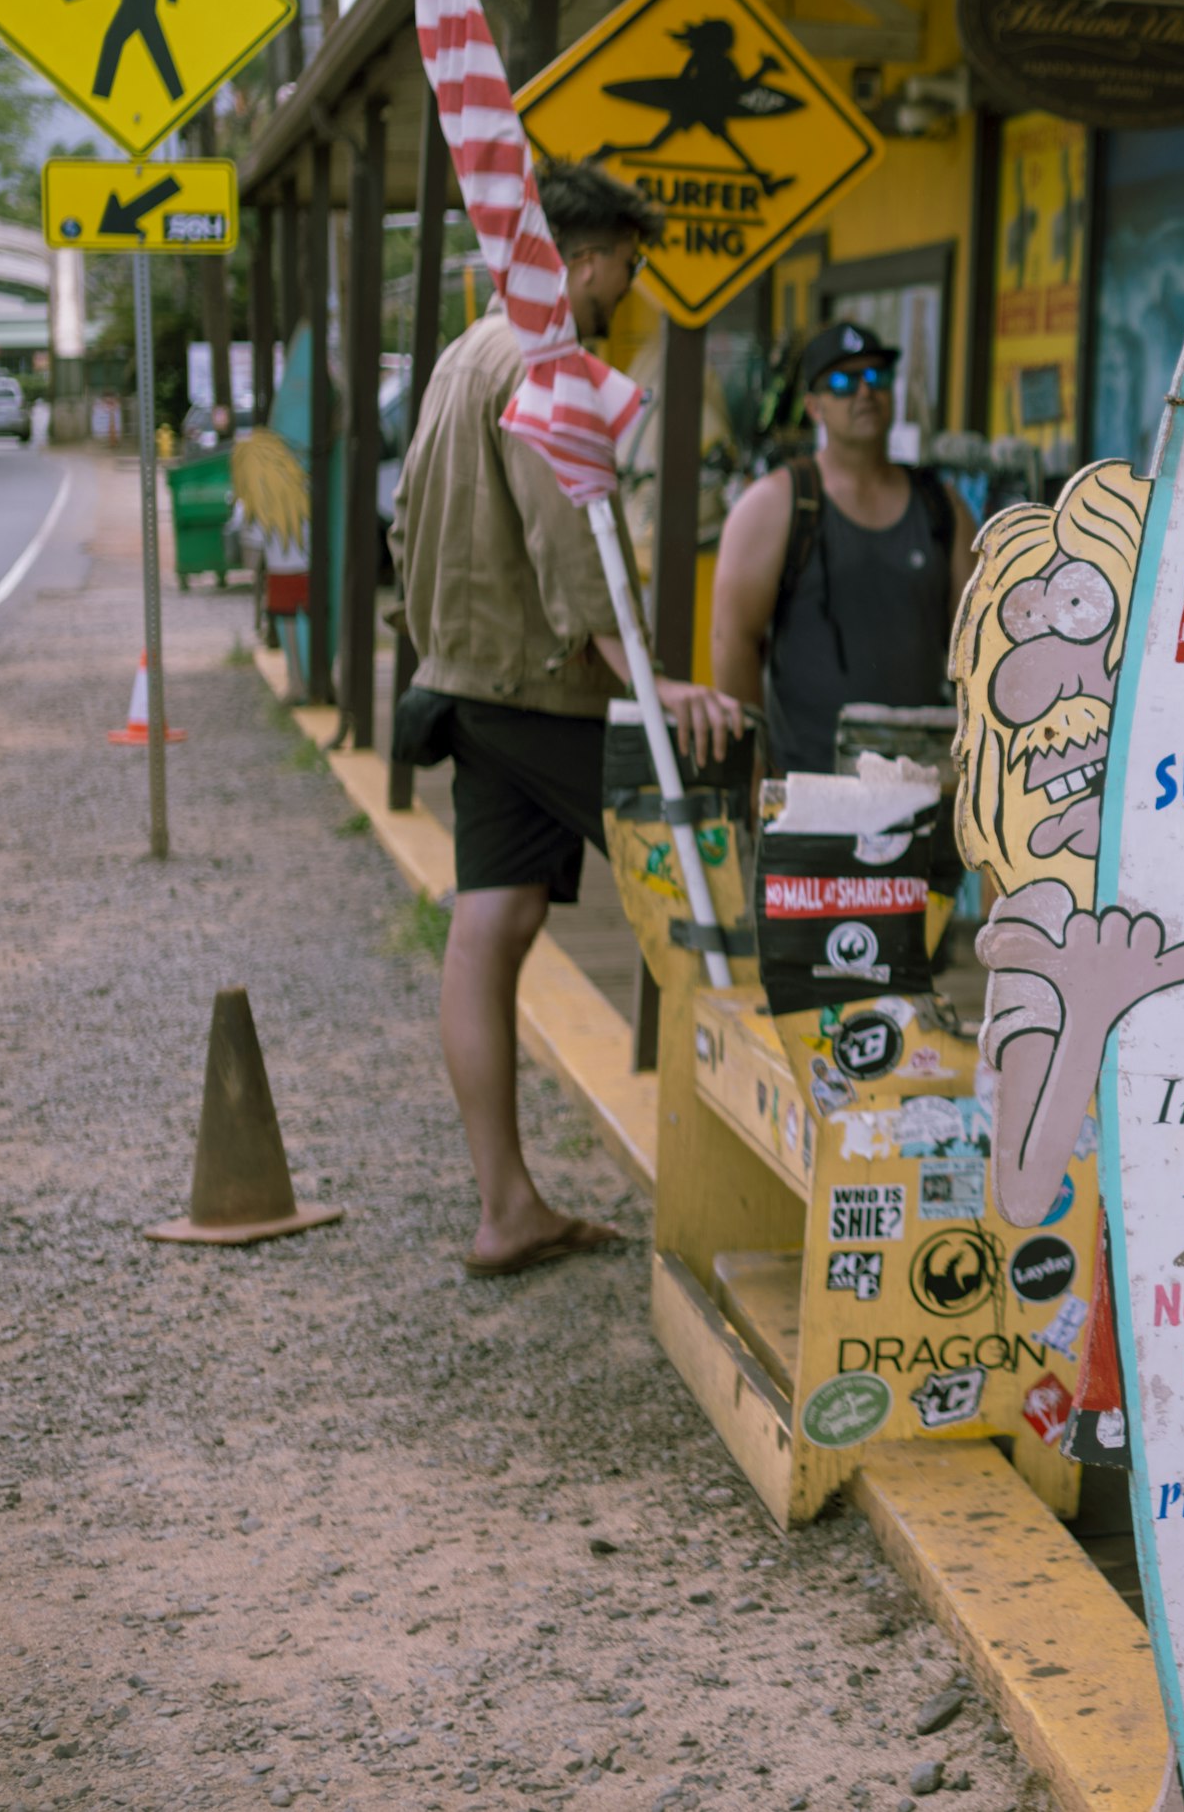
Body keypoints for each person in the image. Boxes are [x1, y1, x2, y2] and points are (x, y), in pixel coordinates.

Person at [394, 162, 744, 1277]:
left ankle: (507, 1207)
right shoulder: (550, 363)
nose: (625, 295)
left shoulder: (461, 358)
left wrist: (445, 643)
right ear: (582, 261)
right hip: (543, 690)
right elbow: (567, 537)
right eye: (624, 271)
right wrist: (645, 681)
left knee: (489, 928)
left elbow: (407, 525)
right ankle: (748, 1201)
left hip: (463, 681)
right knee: (720, 896)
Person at [710, 320, 977, 775]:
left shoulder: (940, 504)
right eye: (842, 382)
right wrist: (752, 764)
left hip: (925, 780)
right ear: (814, 407)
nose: (863, 392)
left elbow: (978, 640)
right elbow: (732, 639)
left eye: (876, 377)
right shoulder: (777, 504)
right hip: (809, 783)